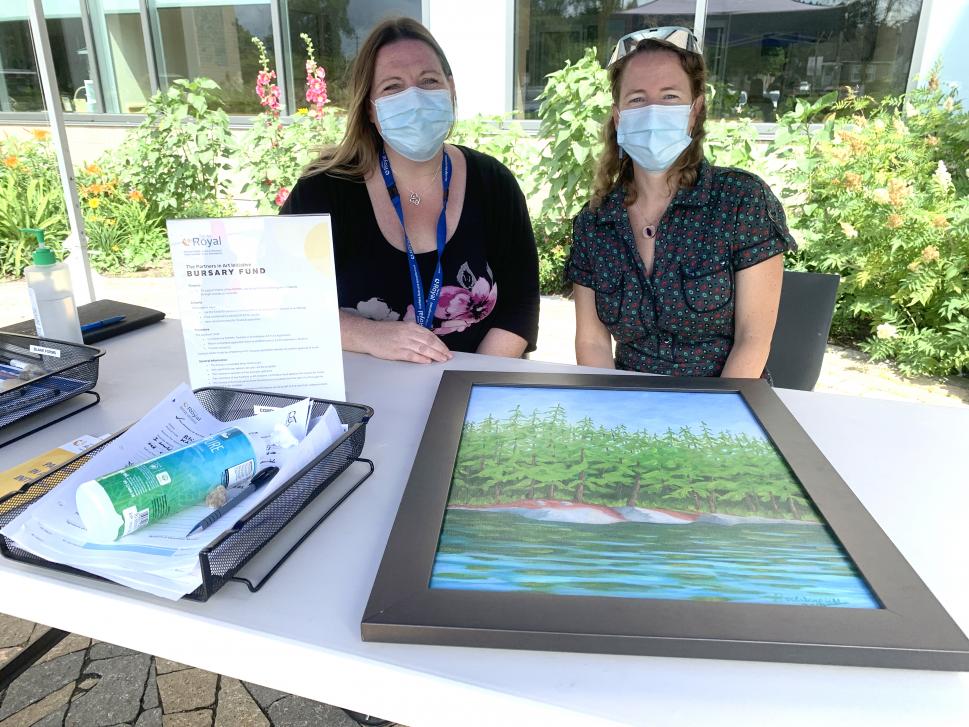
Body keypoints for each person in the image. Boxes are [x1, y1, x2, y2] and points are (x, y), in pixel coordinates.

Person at [281, 17, 540, 364]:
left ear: (451, 90)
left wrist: (471, 382)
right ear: (370, 109)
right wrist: (368, 334)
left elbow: (520, 306)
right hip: (361, 396)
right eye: (392, 87)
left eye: (428, 81)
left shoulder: (494, 183)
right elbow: (283, 298)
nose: (414, 98)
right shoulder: (322, 191)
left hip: (472, 389)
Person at [567, 26, 795, 378]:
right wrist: (609, 410)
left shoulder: (741, 202)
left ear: (694, 110)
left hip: (723, 400)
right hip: (627, 400)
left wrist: (712, 420)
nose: (653, 111)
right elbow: (592, 343)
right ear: (618, 116)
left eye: (670, 97)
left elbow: (752, 340)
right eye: (638, 99)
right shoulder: (595, 222)